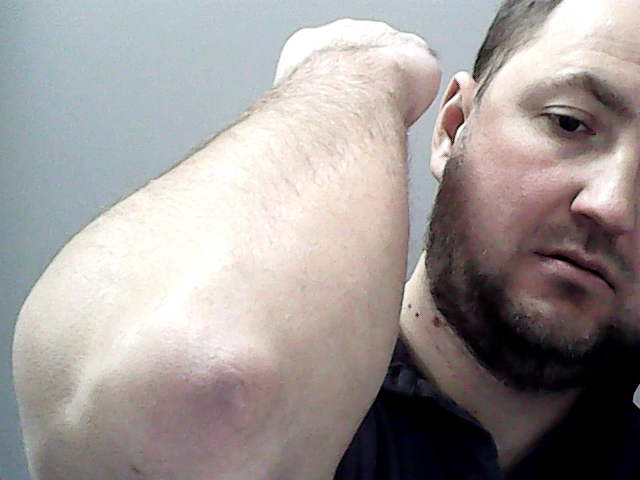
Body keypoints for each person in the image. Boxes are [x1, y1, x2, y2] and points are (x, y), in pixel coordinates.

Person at [11, 0, 640, 478]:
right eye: (569, 123)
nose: (611, 205)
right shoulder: (300, 414)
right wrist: (359, 73)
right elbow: (174, 406)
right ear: (452, 127)